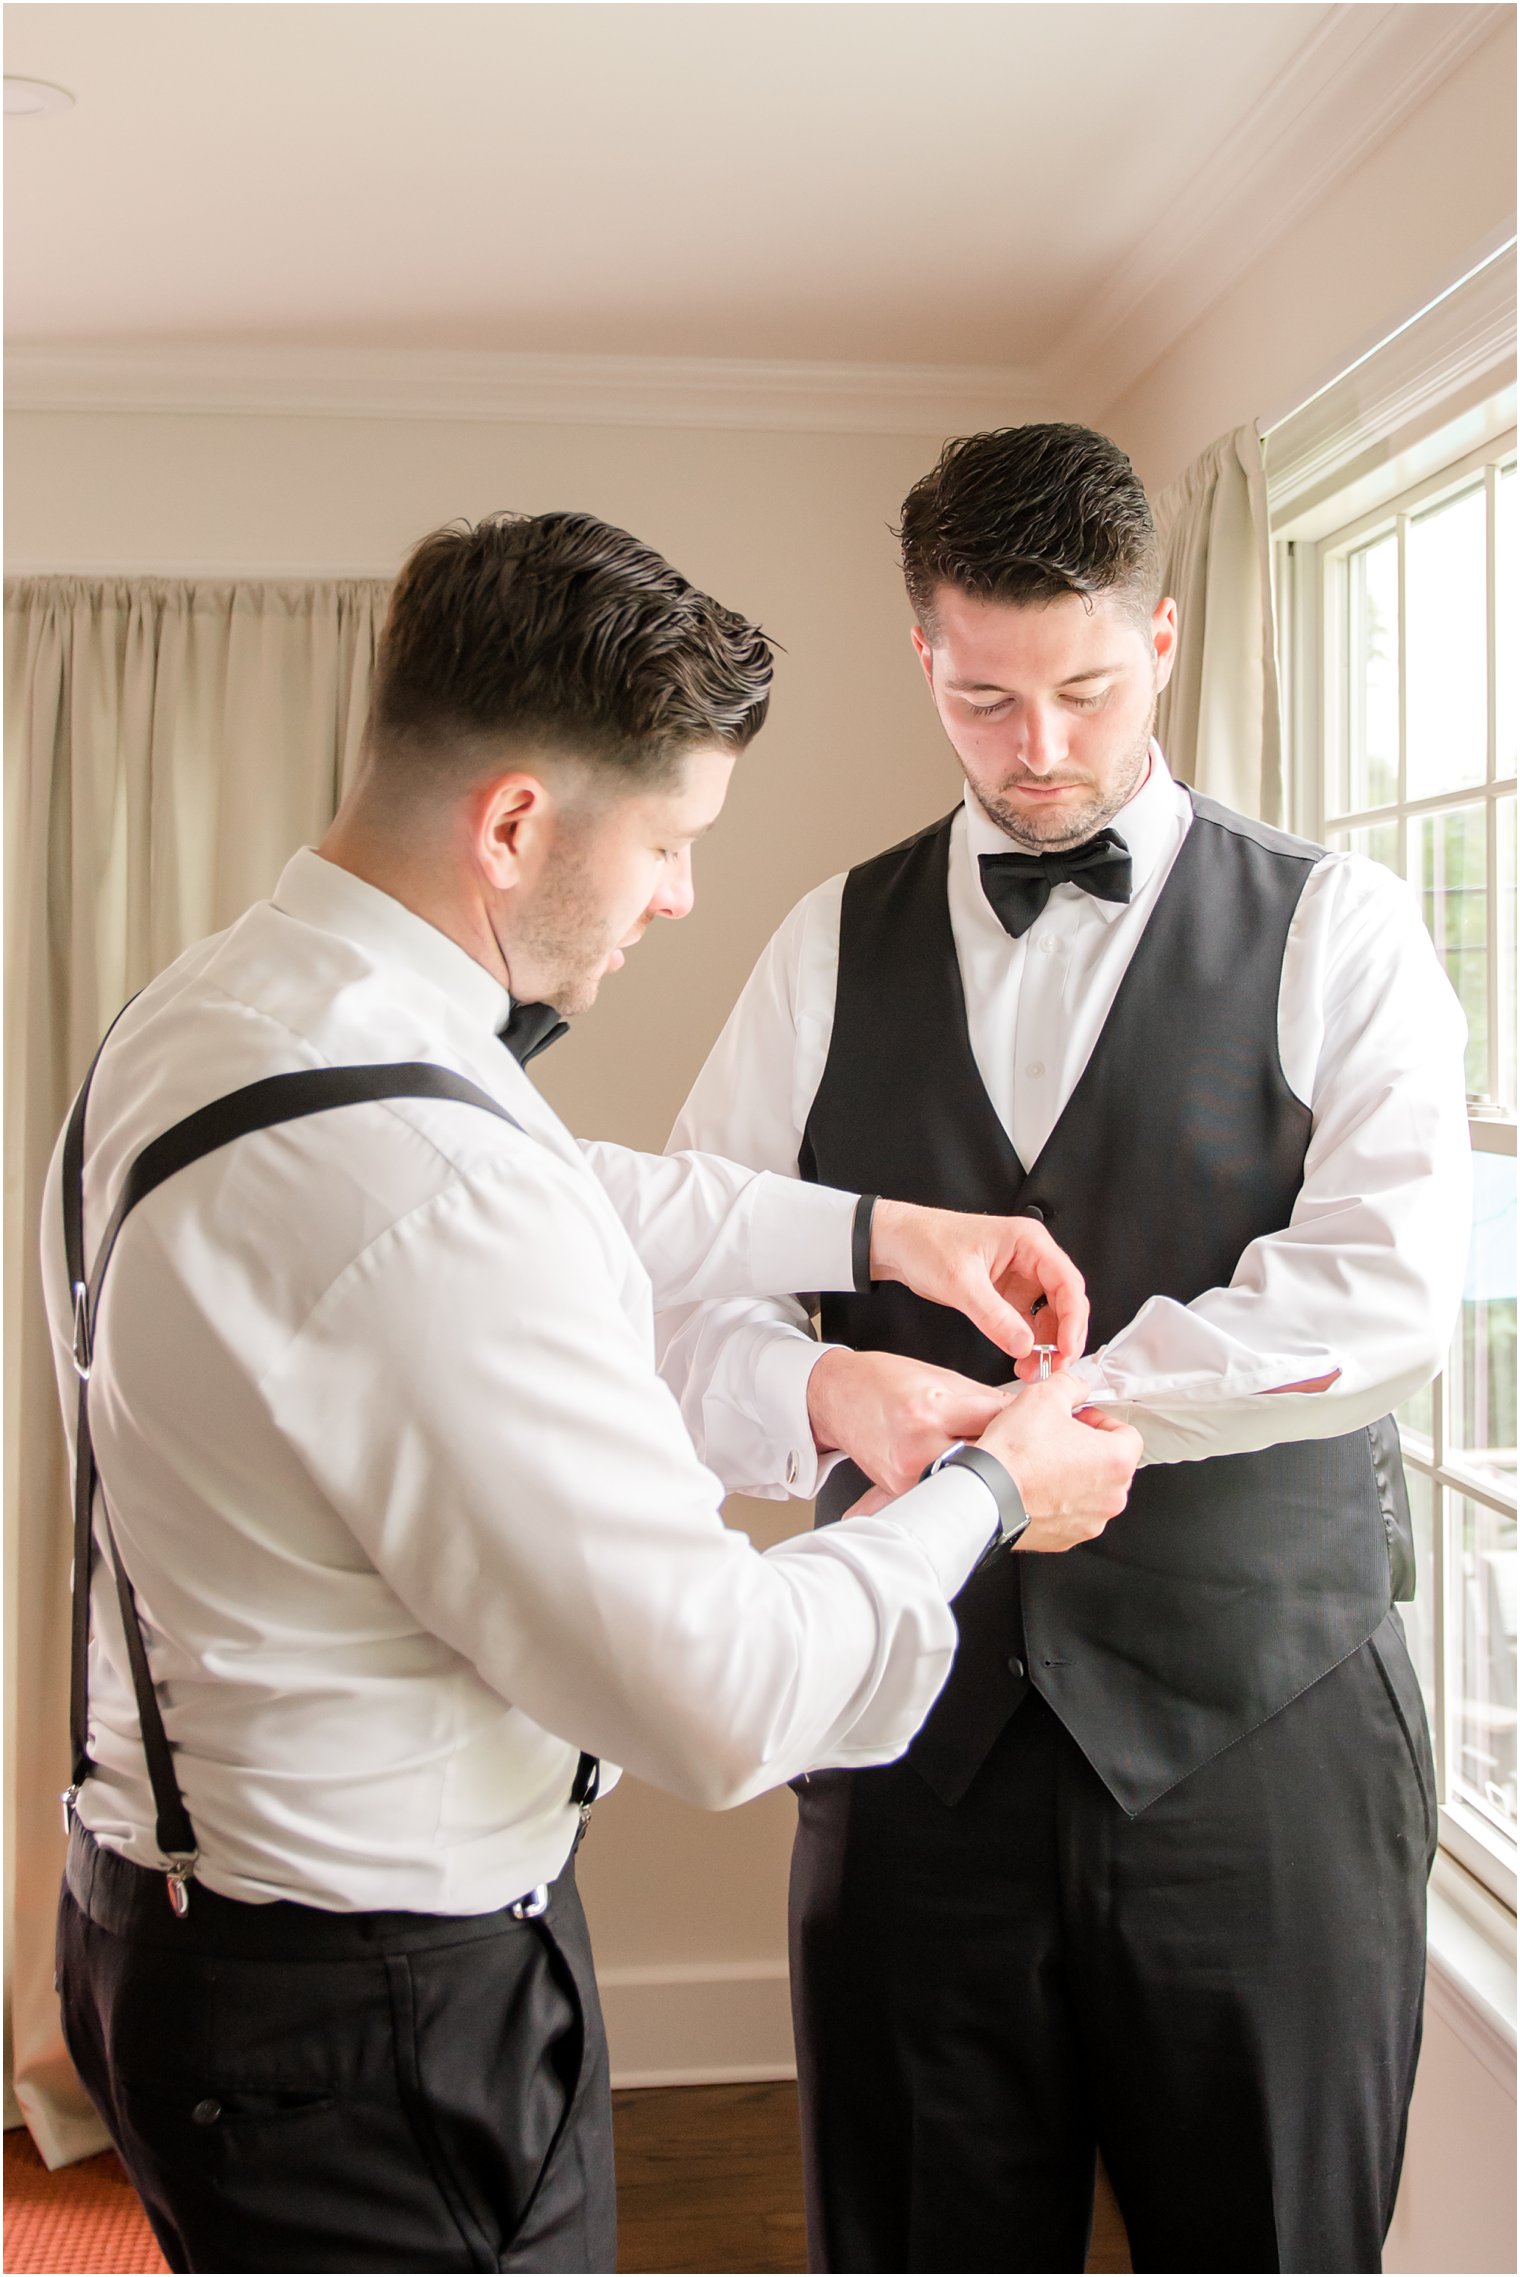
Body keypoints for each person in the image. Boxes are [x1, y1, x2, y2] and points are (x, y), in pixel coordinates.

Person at [42, 508, 1141, 2277]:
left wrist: (881, 1246)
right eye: (672, 839)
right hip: (375, 2026)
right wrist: (994, 1491)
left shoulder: (231, 1011)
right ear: (517, 824)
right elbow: (718, 1688)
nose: (681, 894)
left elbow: (557, 1189)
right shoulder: (414, 1177)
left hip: (189, 1942)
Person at [661, 425, 1473, 2275]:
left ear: (1165, 643)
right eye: (985, 700)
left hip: (1262, 1746)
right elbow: (687, 1280)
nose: (1039, 751)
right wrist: (822, 1390)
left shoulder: (1333, 929)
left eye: (1086, 691)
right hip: (911, 1743)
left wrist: (1055, 1420)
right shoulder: (820, 947)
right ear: (925, 665)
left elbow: (1384, 1296)